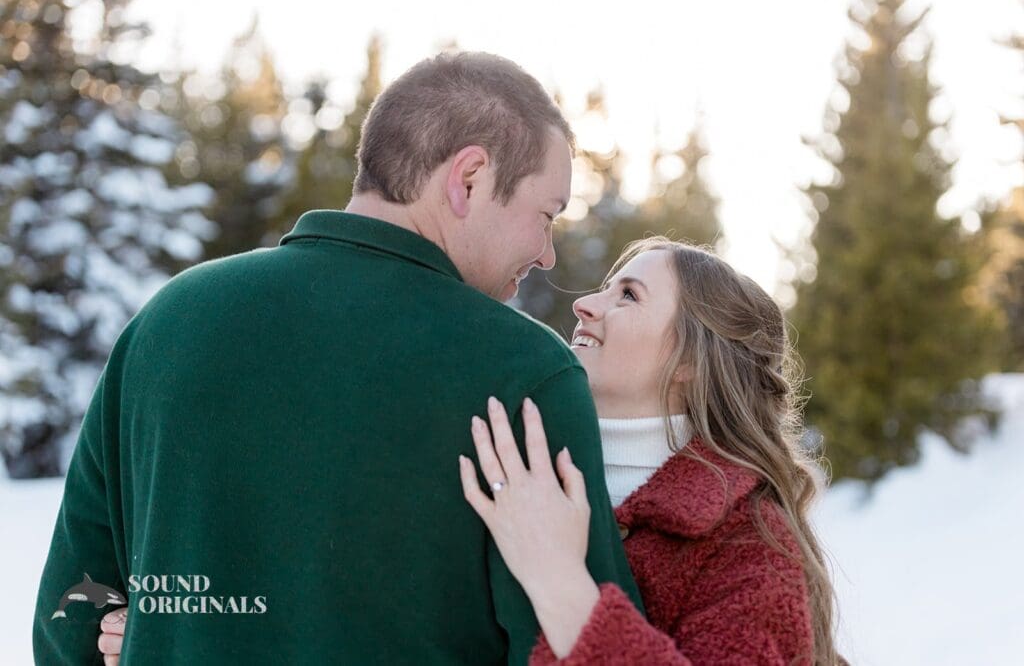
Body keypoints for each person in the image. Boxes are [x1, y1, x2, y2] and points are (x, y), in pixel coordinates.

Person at [35, 51, 641, 664]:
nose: (548, 256)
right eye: (546, 215)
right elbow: (589, 649)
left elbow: (71, 623)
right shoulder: (525, 376)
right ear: (470, 178)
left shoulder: (167, 321)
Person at [457, 238, 843, 664]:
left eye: (628, 295)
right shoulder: (518, 466)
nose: (583, 304)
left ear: (689, 361)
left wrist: (558, 579)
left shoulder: (750, 546)